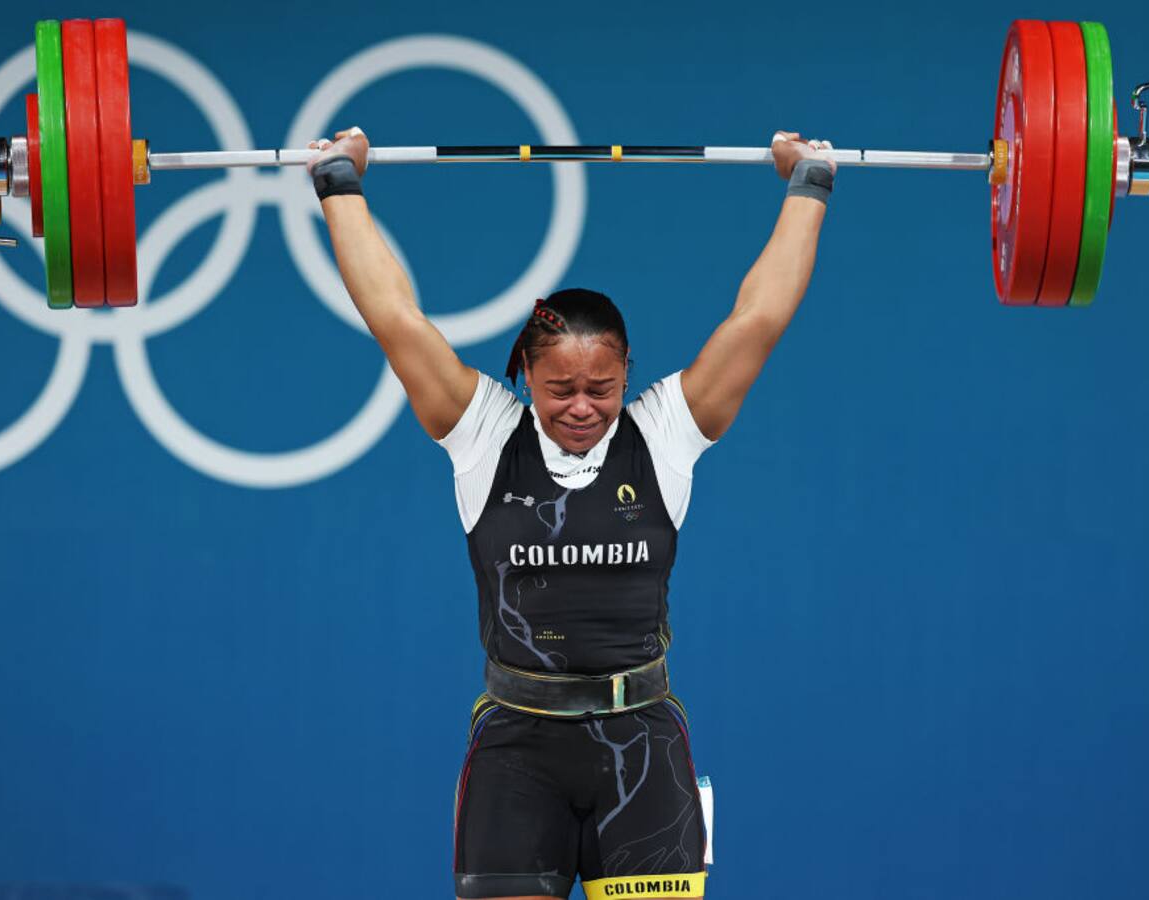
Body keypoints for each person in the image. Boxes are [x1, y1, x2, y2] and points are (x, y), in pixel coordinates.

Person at [306, 126, 836, 900]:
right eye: (561, 391)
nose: (583, 408)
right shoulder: (485, 433)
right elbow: (396, 318)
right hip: (517, 750)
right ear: (524, 374)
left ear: (628, 374)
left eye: (603, 388)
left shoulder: (663, 433)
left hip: (643, 747)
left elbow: (757, 320)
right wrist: (339, 184)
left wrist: (808, 185)